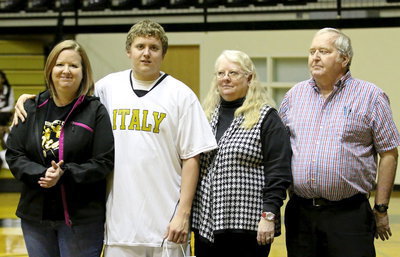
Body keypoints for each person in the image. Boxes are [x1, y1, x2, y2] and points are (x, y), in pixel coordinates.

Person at [12, 19, 217, 257]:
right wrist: (30, 99)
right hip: (118, 225)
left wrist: (183, 213)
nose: (146, 53)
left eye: (154, 48)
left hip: (166, 223)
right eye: (140, 47)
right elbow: (66, 98)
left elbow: (192, 156)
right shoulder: (106, 88)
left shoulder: (181, 95)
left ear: (163, 53)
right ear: (128, 51)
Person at [279, 28, 400, 257]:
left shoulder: (371, 96)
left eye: (324, 51)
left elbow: (389, 153)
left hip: (349, 216)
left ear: (345, 59)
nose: (315, 57)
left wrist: (381, 207)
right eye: (312, 51)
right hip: (301, 215)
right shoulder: (294, 96)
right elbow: (280, 151)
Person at [6, 39, 114, 257]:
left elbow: (103, 162)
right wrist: (42, 173)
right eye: (60, 64)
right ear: (50, 69)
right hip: (36, 217)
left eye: (74, 66)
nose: (66, 71)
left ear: (84, 72)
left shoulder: (95, 111)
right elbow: (14, 155)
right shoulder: (30, 107)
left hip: (81, 220)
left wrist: (65, 173)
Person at [192, 50, 292, 257]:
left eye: (233, 73)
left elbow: (279, 172)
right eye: (220, 73)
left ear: (249, 77)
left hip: (248, 225)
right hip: (206, 223)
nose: (225, 78)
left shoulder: (267, 118)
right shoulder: (206, 115)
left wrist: (268, 216)